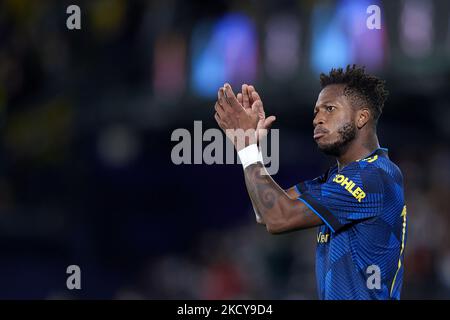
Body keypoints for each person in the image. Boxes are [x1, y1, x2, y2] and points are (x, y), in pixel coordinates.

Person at [213, 65, 407, 300]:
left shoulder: (375, 176)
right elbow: (265, 213)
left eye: (330, 109)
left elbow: (278, 218)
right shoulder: (336, 179)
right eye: (316, 111)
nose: (317, 119)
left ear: (362, 117)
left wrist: (247, 148)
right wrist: (250, 145)